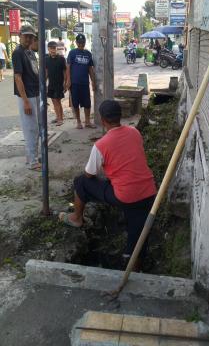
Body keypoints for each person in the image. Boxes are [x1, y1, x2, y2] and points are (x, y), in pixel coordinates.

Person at [59, 99, 157, 267]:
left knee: (81, 182)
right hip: (149, 191)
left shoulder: (101, 145)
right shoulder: (134, 132)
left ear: (103, 120)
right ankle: (135, 262)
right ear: (120, 116)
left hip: (126, 195)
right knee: (138, 230)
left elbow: (89, 174)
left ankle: (76, 218)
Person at [12, 25, 40, 170]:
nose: (29, 39)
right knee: (30, 129)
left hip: (34, 93)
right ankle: (32, 162)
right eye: (26, 36)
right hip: (27, 96)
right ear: (20, 35)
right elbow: (18, 77)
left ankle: (33, 156)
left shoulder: (29, 51)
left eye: (31, 36)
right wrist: (25, 101)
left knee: (36, 128)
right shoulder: (18, 53)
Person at [66, 33, 96, 129]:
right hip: (74, 84)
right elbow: (68, 67)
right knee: (75, 103)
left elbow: (90, 69)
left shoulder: (88, 54)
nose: (81, 44)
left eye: (82, 43)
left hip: (84, 83)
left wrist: (93, 82)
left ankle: (87, 121)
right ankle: (78, 122)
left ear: (85, 43)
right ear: (76, 42)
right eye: (79, 43)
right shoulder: (72, 53)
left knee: (87, 103)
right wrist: (68, 80)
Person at [46, 41, 67, 126]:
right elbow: (46, 72)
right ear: (48, 49)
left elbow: (65, 72)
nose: (53, 50)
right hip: (51, 84)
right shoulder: (46, 59)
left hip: (59, 84)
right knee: (55, 102)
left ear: (57, 49)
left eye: (54, 48)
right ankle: (59, 117)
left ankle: (60, 119)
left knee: (57, 101)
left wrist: (65, 83)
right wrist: (44, 82)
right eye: (51, 48)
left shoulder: (61, 59)